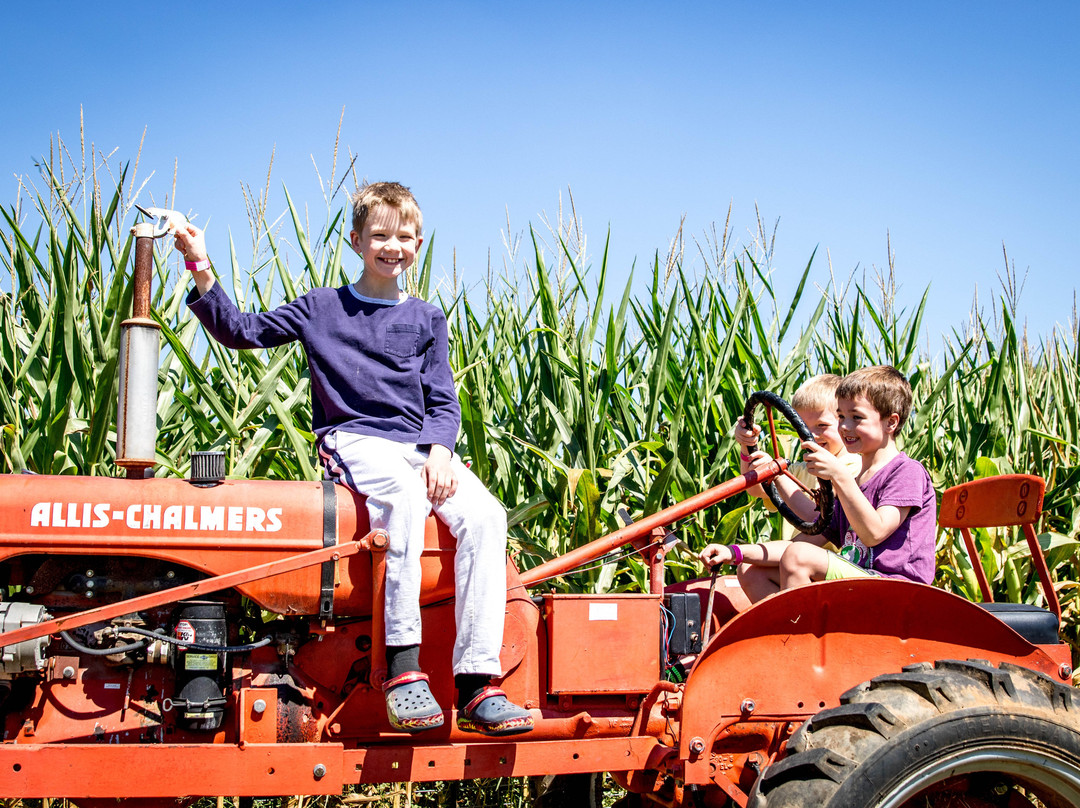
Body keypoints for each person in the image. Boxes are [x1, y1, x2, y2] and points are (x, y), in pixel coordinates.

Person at [172, 182, 533, 737]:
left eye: (406, 237)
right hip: (354, 438)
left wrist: (440, 449)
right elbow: (241, 330)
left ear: (418, 242)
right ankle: (404, 670)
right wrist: (200, 264)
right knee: (405, 501)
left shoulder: (427, 319)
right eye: (380, 235)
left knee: (487, 517)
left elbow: (442, 399)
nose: (394, 246)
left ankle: (477, 682)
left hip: (418, 445)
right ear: (357, 240)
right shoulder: (323, 308)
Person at [700, 366, 935, 597]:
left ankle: (798, 635)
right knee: (752, 570)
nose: (845, 426)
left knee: (799, 556)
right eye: (842, 417)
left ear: (891, 423)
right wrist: (735, 552)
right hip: (859, 580)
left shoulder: (906, 472)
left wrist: (838, 476)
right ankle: (780, 634)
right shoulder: (856, 481)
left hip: (899, 590)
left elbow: (875, 532)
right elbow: (811, 532)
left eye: (856, 418)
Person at [700, 375, 860, 602]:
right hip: (796, 561)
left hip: (832, 565)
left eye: (822, 426)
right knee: (748, 570)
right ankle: (781, 628)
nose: (812, 435)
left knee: (795, 557)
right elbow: (756, 489)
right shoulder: (802, 469)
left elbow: (823, 521)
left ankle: (798, 629)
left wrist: (776, 473)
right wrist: (748, 447)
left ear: (844, 423)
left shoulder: (851, 467)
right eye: (804, 427)